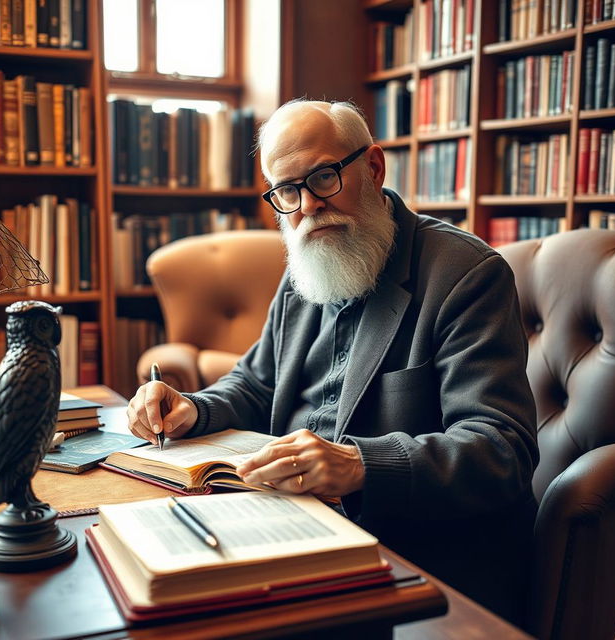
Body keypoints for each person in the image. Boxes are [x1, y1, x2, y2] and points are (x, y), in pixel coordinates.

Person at [127, 99, 539, 627]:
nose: (308, 205)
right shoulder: (307, 264)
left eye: (323, 177)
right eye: (287, 191)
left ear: (372, 167)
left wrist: (360, 465)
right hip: (289, 525)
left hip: (410, 554)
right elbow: (255, 384)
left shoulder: (465, 274)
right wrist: (192, 409)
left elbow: (501, 449)